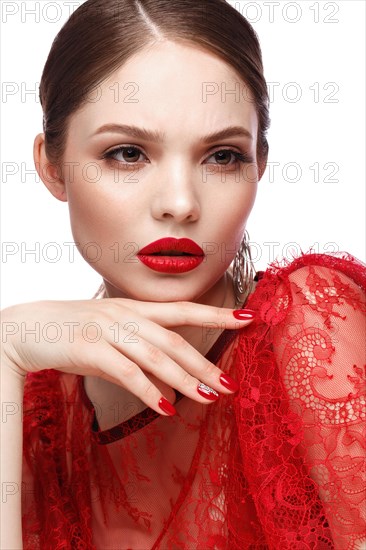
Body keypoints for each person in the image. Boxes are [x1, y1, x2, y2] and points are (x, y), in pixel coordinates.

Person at [1, 0, 365, 548]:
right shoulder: (33, 409)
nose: (179, 203)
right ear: (53, 166)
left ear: (259, 165)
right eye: (127, 153)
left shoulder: (309, 326)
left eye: (222, 156)